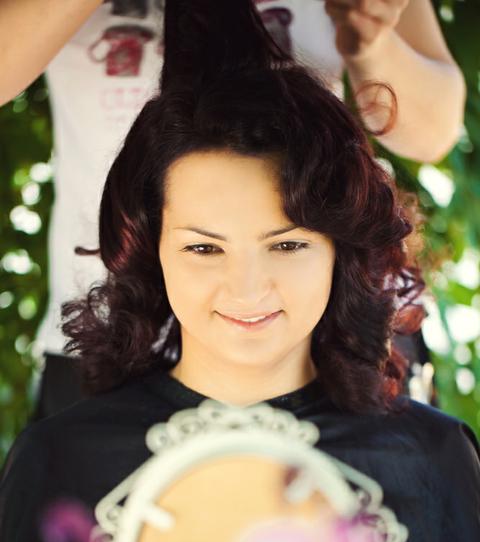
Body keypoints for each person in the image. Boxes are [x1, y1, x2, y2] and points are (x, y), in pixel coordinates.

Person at [1, 0, 479, 542]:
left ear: (338, 247)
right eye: (204, 247)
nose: (247, 287)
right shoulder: (63, 457)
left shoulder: (431, 458)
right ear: (150, 246)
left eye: (287, 244)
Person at [0, 0, 466, 418]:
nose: (246, 290)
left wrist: (373, 42)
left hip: (319, 333)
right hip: (118, 324)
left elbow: (432, 133)